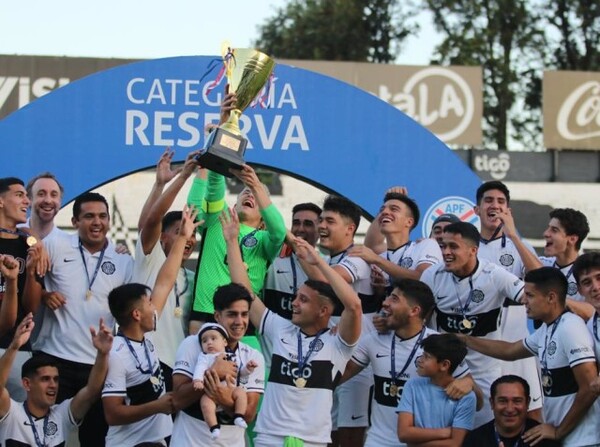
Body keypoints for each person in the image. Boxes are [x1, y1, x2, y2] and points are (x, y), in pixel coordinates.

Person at [223, 206, 363, 447]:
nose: (294, 304)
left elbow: (354, 305)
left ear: (324, 311)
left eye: (304, 300)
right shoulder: (280, 328)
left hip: (312, 442)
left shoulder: (338, 344)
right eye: (297, 297)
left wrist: (317, 260)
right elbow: (243, 289)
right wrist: (232, 241)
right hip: (269, 438)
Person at [24, 191, 133, 447]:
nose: (97, 222)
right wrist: (45, 294)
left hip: (97, 365)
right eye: (89, 216)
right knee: (45, 437)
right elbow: (31, 282)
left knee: (96, 439)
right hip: (53, 360)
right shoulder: (55, 244)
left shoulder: (123, 260)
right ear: (75, 222)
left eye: (102, 216)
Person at [461, 267, 600, 446]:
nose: (524, 301)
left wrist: (559, 431)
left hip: (583, 440)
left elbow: (589, 388)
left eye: (530, 295)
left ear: (551, 297)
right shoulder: (548, 329)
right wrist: (464, 339)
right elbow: (509, 351)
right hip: (568, 438)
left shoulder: (571, 328)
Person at [186, 91, 286, 334]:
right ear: (235, 202)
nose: (249, 194)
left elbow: (279, 231)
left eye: (257, 195)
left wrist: (256, 185)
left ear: (263, 219)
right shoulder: (217, 221)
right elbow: (211, 190)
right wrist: (221, 131)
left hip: (244, 327)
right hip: (204, 320)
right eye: (245, 192)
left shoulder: (264, 240)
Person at [340, 278, 479, 447]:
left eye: (394, 299)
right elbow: (338, 376)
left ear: (414, 310)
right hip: (377, 441)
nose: (385, 303)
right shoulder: (372, 340)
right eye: (388, 297)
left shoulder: (439, 345)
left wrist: (467, 383)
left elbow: (478, 401)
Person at [102, 205, 199, 446]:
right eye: (149, 304)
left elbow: (165, 282)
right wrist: (156, 406)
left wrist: (184, 237)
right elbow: (113, 414)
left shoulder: (148, 346)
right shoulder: (116, 354)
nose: (155, 305)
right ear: (136, 314)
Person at [420, 221, 526, 427]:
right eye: (443, 246)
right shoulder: (433, 275)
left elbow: (529, 297)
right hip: (446, 373)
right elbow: (416, 314)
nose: (446, 252)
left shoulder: (494, 275)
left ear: (473, 250)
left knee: (480, 437)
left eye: (453, 247)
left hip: (485, 374)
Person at [473, 181, 543, 419]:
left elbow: (544, 280)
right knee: (485, 415)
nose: (495, 206)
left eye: (501, 202)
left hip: (517, 341)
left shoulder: (519, 246)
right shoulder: (468, 248)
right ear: (477, 210)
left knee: (531, 413)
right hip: (481, 347)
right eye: (489, 201)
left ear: (508, 211)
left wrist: (514, 236)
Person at [133, 148, 199, 389]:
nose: (189, 238)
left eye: (193, 233)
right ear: (162, 238)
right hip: (145, 362)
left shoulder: (193, 277)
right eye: (181, 232)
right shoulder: (150, 260)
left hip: (181, 369)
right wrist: (176, 180)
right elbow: (150, 221)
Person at [0, 313, 112, 446]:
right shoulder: (11, 412)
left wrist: (102, 354)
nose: (53, 385)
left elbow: (92, 391)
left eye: (56, 379)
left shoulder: (61, 414)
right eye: (45, 379)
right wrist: (14, 346)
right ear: (27, 383)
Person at [171, 284, 265, 444]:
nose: (239, 321)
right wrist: (214, 372)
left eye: (244, 314)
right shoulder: (192, 344)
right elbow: (177, 400)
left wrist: (221, 397)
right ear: (217, 316)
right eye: (232, 314)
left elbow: (248, 415)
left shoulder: (253, 357)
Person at [0, 176, 47, 401]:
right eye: (19, 195)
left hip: (18, 347)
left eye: (27, 196)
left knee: (17, 424)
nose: (26, 201)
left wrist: (29, 271)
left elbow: (31, 307)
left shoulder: (29, 246)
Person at [261, 201, 321, 369]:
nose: (301, 229)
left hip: (307, 358)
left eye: (308, 224)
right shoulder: (273, 256)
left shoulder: (326, 264)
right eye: (296, 223)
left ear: (319, 229)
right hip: (269, 357)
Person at [397, 333, 476, 447]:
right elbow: (404, 433)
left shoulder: (466, 397)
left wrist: (415, 444)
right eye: (422, 355)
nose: (420, 360)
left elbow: (454, 443)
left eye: (427, 357)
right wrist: (445, 432)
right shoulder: (412, 385)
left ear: (444, 365)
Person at [352, 188, 442, 282]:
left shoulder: (426, 245)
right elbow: (372, 245)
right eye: (382, 210)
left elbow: (424, 278)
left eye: (394, 209)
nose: (385, 212)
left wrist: (377, 260)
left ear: (409, 222)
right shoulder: (381, 255)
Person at [192, 322, 256, 439]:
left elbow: (238, 373)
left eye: (213, 338)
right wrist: (198, 380)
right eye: (204, 341)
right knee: (205, 403)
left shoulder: (230, 356)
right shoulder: (205, 357)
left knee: (241, 393)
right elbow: (200, 368)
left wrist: (247, 369)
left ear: (224, 342)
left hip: (230, 390)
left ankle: (238, 415)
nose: (209, 342)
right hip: (211, 392)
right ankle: (214, 427)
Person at [463, 375, 561, 447]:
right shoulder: (475, 440)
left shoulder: (543, 439)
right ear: (492, 403)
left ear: (527, 403)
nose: (510, 409)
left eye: (517, 401)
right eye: (503, 401)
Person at [540, 208, 590, 301]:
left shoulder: (588, 275)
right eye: (548, 228)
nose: (546, 233)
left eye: (554, 230)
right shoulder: (540, 263)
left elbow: (590, 312)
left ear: (572, 239)